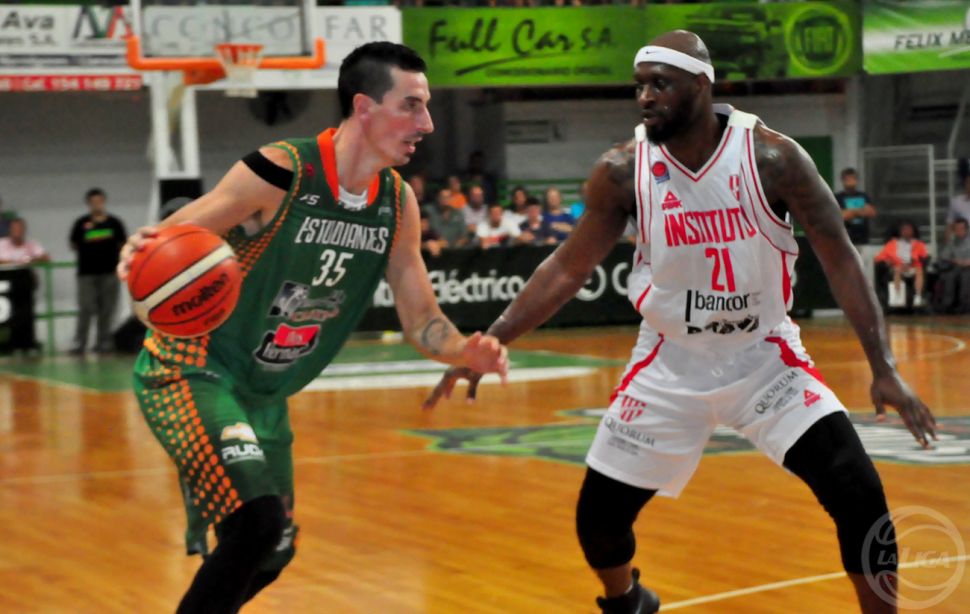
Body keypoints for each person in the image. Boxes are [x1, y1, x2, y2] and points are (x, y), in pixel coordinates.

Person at [425, 31, 935, 614]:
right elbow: (567, 267)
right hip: (669, 361)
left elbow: (841, 258)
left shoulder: (773, 159)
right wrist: (493, 338)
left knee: (859, 491)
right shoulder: (622, 169)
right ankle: (628, 600)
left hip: (764, 357)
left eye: (660, 84)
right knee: (598, 521)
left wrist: (884, 367)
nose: (645, 96)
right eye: (639, 86)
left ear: (701, 84)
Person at [117, 42, 508, 614]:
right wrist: (141, 247)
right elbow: (175, 234)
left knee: (271, 551)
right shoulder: (282, 171)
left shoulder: (397, 203)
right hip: (192, 370)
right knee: (256, 523)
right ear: (364, 107)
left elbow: (422, 318)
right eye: (411, 105)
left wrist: (463, 351)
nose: (426, 123)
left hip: (265, 394)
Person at [69, 188, 127, 355]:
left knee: (107, 308)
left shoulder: (114, 223)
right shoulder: (81, 223)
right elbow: (73, 244)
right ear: (89, 204)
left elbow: (123, 244)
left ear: (103, 202)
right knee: (86, 307)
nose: (97, 205)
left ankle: (104, 342)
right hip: (87, 273)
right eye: (93, 202)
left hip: (109, 272)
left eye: (99, 201)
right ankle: (79, 343)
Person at [875, 220, 928, 308]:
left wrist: (912, 262)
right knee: (898, 269)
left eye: (908, 229)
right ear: (900, 231)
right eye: (904, 229)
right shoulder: (892, 243)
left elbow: (924, 257)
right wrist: (888, 261)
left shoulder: (919, 244)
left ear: (913, 231)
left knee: (919, 270)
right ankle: (897, 295)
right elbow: (879, 258)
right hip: (897, 267)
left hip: (912, 267)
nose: (906, 232)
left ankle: (918, 296)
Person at [835, 168, 876, 245]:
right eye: (848, 179)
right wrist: (861, 211)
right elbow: (841, 216)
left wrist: (851, 212)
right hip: (845, 237)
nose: (850, 182)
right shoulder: (838, 197)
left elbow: (871, 212)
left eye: (853, 179)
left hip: (863, 236)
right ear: (843, 181)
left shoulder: (863, 195)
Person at [936, 217, 970, 313]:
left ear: (967, 229)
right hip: (955, 267)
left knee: (965, 276)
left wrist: (965, 262)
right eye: (956, 229)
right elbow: (944, 257)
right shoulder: (952, 242)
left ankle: (965, 305)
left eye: (961, 228)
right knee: (949, 276)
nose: (959, 231)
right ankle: (947, 305)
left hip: (968, 268)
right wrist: (955, 260)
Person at [946, 173, 970, 239]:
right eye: (968, 182)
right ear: (965, 184)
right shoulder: (956, 202)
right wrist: (947, 242)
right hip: (961, 241)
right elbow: (950, 224)